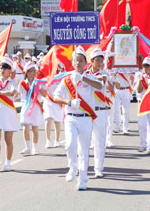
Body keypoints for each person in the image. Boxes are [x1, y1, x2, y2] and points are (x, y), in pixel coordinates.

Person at [54, 46, 102, 191]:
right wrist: (69, 102)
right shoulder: (67, 79)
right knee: (70, 144)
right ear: (72, 62)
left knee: (83, 151)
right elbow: (56, 96)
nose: (78, 63)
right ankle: (72, 168)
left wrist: (84, 78)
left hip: (85, 118)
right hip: (70, 117)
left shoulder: (90, 77)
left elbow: (99, 86)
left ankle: (83, 179)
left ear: (85, 62)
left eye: (81, 60)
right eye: (76, 60)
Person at [86, 48, 110, 178]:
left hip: (100, 112)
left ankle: (98, 168)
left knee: (100, 140)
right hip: (87, 111)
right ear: (91, 61)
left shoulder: (105, 74)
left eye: (101, 60)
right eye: (97, 60)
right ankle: (84, 167)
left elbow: (101, 79)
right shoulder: (84, 74)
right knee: (85, 140)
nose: (100, 63)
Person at [18, 62, 45, 155]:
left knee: (35, 128)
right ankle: (27, 147)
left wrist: (41, 90)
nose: (34, 73)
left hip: (35, 106)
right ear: (27, 72)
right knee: (25, 127)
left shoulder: (38, 82)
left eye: (35, 71)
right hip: (26, 106)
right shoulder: (22, 83)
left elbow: (45, 95)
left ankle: (35, 148)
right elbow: (17, 94)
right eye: (32, 71)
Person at [41, 62, 65, 148]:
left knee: (57, 122)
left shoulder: (62, 78)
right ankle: (48, 140)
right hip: (48, 101)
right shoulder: (47, 78)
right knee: (48, 119)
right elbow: (43, 91)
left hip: (57, 103)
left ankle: (57, 140)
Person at [113, 70, 133, 134]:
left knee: (125, 110)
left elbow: (134, 73)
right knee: (116, 110)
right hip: (117, 91)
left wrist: (128, 70)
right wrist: (115, 72)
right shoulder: (115, 69)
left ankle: (125, 128)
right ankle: (117, 127)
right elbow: (111, 76)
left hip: (126, 90)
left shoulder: (128, 69)